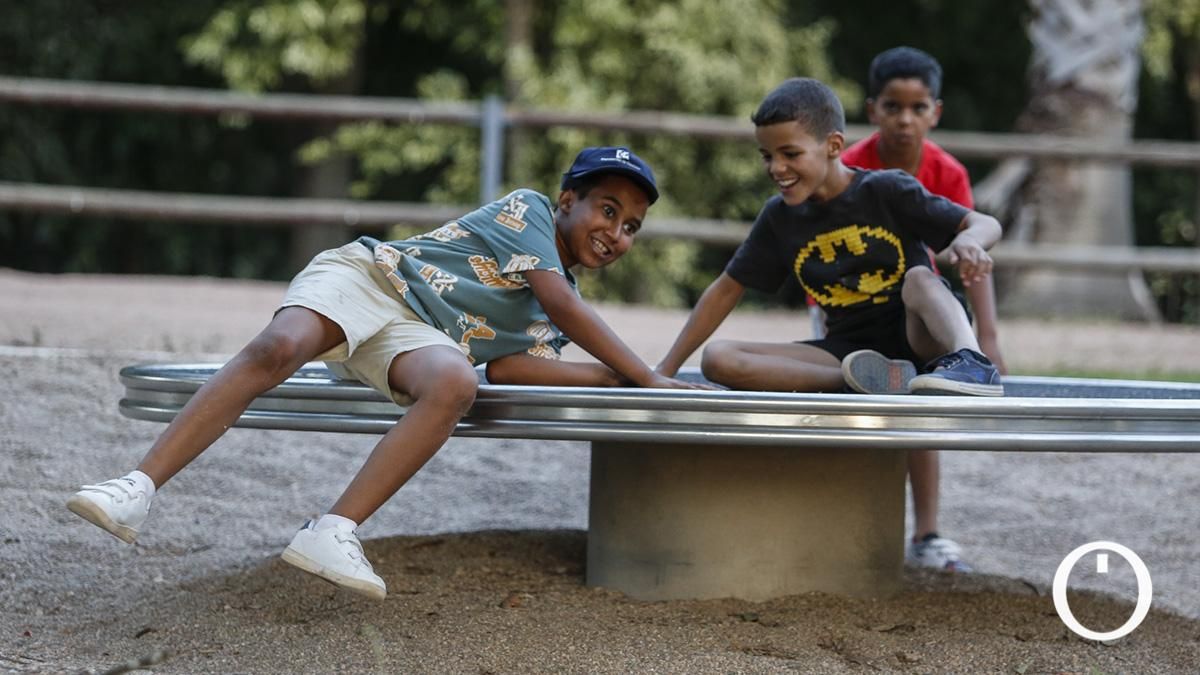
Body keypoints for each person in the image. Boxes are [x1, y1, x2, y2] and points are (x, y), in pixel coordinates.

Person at [68, 146, 705, 601]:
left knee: (458, 382)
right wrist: (647, 374)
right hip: (370, 278)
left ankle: (333, 531)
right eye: (606, 210)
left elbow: (515, 366)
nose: (616, 232)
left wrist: (618, 380)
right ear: (569, 201)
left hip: (417, 337)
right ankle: (137, 486)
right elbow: (563, 300)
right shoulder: (531, 211)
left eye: (631, 228)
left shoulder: (559, 312)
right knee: (279, 348)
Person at [655, 76, 1003, 564]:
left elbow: (984, 223)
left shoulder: (885, 190)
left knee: (920, 279)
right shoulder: (780, 217)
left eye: (790, 154)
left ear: (833, 146)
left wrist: (970, 242)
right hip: (849, 352)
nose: (777, 168)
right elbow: (724, 290)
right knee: (720, 359)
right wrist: (662, 373)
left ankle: (971, 362)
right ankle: (866, 383)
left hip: (918, 339)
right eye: (767, 156)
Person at [839, 46, 1008, 571]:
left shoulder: (946, 172)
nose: (905, 120)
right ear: (874, 109)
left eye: (917, 108)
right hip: (851, 308)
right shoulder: (848, 167)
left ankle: (927, 532)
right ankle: (849, 528)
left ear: (935, 111)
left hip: (920, 310)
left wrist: (988, 340)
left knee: (919, 401)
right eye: (894, 107)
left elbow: (971, 255)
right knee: (853, 413)